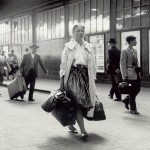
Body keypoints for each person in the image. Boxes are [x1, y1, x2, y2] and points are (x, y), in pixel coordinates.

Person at [59, 24, 97, 139]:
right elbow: (64, 66)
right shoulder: (68, 47)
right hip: (72, 77)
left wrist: (93, 80)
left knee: (81, 103)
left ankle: (71, 124)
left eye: (82, 31)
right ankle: (83, 130)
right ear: (73, 33)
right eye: (77, 31)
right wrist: (61, 82)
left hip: (85, 77)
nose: (80, 33)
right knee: (77, 103)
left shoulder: (88, 47)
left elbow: (93, 65)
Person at [120, 35, 141, 114]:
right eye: (135, 41)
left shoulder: (135, 50)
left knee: (138, 89)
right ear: (131, 41)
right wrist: (124, 75)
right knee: (132, 91)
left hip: (136, 72)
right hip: (129, 74)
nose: (136, 42)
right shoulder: (124, 51)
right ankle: (133, 109)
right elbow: (122, 64)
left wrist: (139, 70)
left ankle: (127, 99)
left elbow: (136, 61)